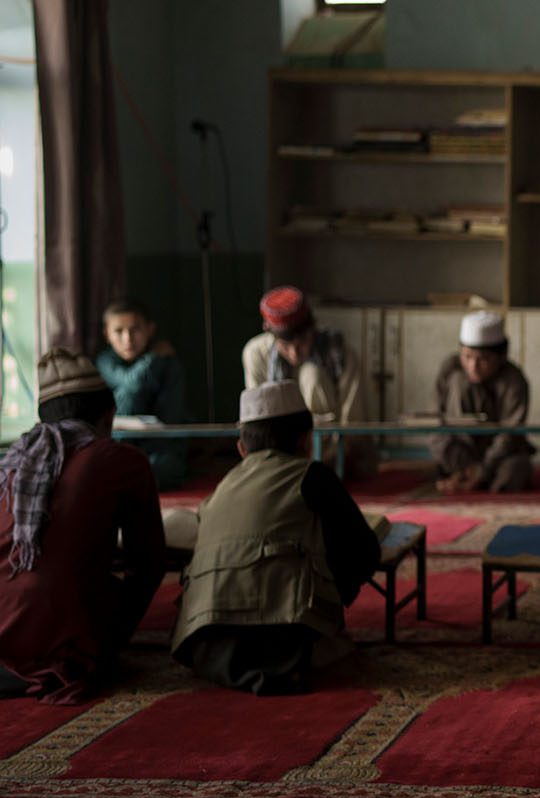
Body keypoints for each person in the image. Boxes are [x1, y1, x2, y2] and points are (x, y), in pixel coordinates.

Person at [171, 381, 380, 695]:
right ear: (307, 441)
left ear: (242, 448)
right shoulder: (312, 475)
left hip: (203, 641)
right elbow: (365, 553)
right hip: (284, 642)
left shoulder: (222, 486)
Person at [0, 350, 164, 703]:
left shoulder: (12, 463)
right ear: (108, 414)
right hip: (57, 648)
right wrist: (116, 640)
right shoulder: (122, 460)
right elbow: (148, 562)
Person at [241, 286, 373, 477]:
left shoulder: (340, 353)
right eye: (286, 345)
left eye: (302, 341)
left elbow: (353, 424)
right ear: (271, 335)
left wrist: (319, 461)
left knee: (312, 375)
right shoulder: (256, 354)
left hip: (332, 455)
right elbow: (258, 423)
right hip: (279, 456)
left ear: (312, 329)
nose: (295, 353)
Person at [431, 310, 533, 493]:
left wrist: (483, 468)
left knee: (515, 469)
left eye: (483, 359)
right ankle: (461, 475)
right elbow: (435, 419)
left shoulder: (513, 380)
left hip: (498, 455)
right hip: (460, 449)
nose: (473, 366)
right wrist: (462, 464)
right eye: (467, 357)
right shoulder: (451, 369)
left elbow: (510, 433)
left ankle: (472, 480)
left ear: (501, 357)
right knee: (440, 443)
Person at [95, 297, 189, 489]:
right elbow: (133, 385)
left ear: (150, 329)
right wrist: (152, 357)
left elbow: (170, 417)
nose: (128, 339)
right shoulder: (105, 362)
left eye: (135, 329)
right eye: (118, 331)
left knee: (167, 467)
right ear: (106, 334)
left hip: (158, 447)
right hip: (118, 446)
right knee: (128, 394)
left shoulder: (169, 365)